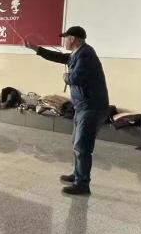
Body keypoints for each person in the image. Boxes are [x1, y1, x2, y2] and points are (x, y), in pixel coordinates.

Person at [23, 25, 109, 195]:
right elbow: (60, 57)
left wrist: (66, 77)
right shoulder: (79, 53)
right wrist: (35, 49)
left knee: (82, 146)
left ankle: (82, 184)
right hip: (83, 106)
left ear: (73, 39)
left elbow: (75, 77)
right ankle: (77, 174)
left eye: (66, 38)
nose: (64, 41)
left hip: (91, 107)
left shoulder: (85, 55)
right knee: (77, 143)